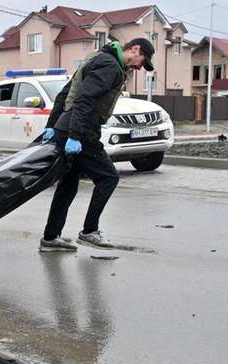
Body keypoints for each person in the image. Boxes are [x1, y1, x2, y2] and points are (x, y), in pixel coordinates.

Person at [39, 38, 154, 251]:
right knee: (109, 177)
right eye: (142, 60)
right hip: (81, 129)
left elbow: (66, 93)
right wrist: (75, 135)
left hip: (69, 126)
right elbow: (84, 99)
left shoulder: (97, 58)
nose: (139, 67)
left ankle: (50, 237)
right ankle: (89, 231)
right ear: (135, 49)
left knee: (68, 184)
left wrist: (53, 125)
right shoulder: (110, 66)